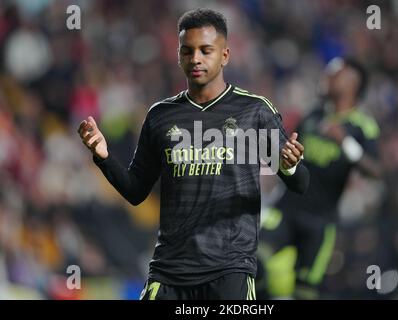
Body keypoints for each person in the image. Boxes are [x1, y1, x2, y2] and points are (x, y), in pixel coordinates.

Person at [77, 8, 309, 300]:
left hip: (229, 270)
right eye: (187, 50)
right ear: (178, 56)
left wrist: (288, 166)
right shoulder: (160, 116)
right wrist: (103, 157)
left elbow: (300, 183)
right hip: (169, 270)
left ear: (225, 55)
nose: (195, 58)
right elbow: (136, 191)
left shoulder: (254, 111)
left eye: (205, 50)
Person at [257, 57, 383, 299]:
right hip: (286, 209)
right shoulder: (313, 116)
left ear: (352, 82)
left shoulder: (362, 126)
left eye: (334, 73)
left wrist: (345, 142)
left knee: (304, 292)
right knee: (252, 262)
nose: (327, 77)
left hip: (320, 223)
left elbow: (376, 171)